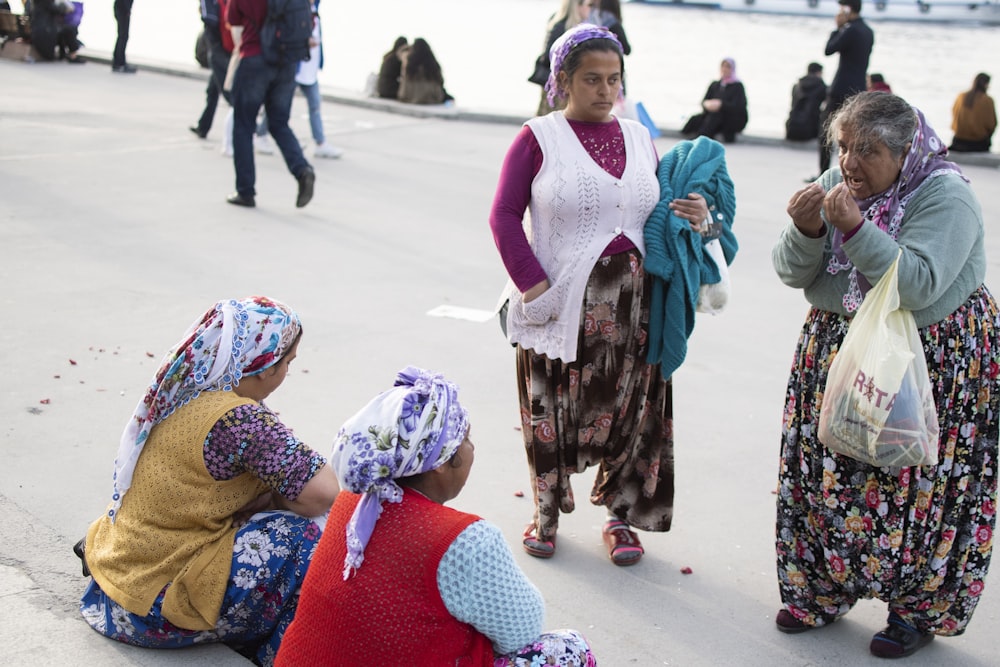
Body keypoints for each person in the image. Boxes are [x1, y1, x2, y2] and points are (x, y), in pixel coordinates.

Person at [772, 91, 999, 658]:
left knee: (921, 484)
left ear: (906, 151)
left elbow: (918, 284)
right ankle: (820, 590)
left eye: (867, 150)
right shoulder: (838, 183)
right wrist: (807, 231)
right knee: (827, 471)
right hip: (842, 347)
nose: (848, 162)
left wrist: (852, 229)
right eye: (844, 145)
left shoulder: (946, 196)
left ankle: (914, 610)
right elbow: (792, 271)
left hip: (931, 358)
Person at [489, 24, 699, 566]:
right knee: (549, 411)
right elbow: (505, 216)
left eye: (614, 79)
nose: (605, 91)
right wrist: (536, 286)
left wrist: (697, 217)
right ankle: (546, 512)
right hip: (559, 307)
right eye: (591, 80)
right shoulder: (537, 136)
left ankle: (621, 519)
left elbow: (656, 214)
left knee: (631, 409)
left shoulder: (637, 136)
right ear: (562, 81)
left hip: (635, 308)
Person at [75, 296, 341, 666]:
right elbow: (325, 492)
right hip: (150, 610)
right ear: (265, 367)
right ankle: (281, 655)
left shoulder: (188, 390)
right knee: (305, 541)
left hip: (114, 585)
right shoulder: (238, 419)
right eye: (288, 364)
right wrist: (272, 503)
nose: (285, 374)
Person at [275, 366, 596, 666]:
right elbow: (523, 631)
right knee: (569, 648)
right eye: (466, 439)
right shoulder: (468, 541)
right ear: (441, 461)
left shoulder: (352, 501)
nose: (472, 449)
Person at [226, 0, 316, 208]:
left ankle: (245, 191)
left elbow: (234, 24)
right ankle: (302, 170)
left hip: (254, 59)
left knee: (243, 125)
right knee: (279, 123)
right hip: (286, 63)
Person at [253, 0, 342, 160]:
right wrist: (305, 43)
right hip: (295, 66)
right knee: (279, 108)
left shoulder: (313, 9)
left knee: (314, 105)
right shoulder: (295, 7)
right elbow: (290, 33)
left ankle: (320, 143)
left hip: (309, 68)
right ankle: (261, 134)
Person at [816, 0, 873, 177]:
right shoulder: (867, 31)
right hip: (858, 88)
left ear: (848, 9)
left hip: (841, 88)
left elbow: (829, 49)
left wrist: (838, 27)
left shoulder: (850, 30)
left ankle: (824, 174)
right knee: (854, 134)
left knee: (826, 132)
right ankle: (853, 172)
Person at [530, 0, 588, 116]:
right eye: (588, 5)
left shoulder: (577, 27)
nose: (590, 9)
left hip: (565, 84)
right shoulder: (561, 26)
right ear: (578, 6)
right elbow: (548, 56)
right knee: (551, 121)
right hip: (556, 85)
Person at [190, 0, 234, 140]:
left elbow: (210, 19)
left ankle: (255, 130)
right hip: (227, 44)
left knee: (229, 93)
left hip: (217, 47)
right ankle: (203, 126)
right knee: (213, 89)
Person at [681, 57, 748, 143]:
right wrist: (707, 105)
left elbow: (739, 107)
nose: (725, 69)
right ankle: (691, 136)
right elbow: (704, 101)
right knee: (697, 119)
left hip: (731, 119)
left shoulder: (738, 86)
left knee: (714, 118)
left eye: (728, 67)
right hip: (714, 115)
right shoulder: (715, 84)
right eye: (723, 66)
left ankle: (700, 139)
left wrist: (721, 105)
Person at [950, 72, 996, 153]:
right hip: (978, 144)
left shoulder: (961, 96)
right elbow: (992, 124)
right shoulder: (987, 100)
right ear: (986, 84)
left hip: (958, 141)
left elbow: (954, 114)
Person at [397, 37, 451, 105]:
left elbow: (401, 53)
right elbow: (441, 82)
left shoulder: (409, 64)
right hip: (432, 99)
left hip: (410, 98)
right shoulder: (433, 64)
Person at [785, 62, 827, 141]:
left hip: (791, 127)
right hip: (809, 130)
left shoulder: (796, 85)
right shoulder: (821, 86)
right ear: (819, 73)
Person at [375, 35, 407, 99]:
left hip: (381, 89)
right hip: (389, 90)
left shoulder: (388, 56)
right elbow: (403, 74)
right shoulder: (396, 58)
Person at [112, 0, 136, 73]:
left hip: (120, 8)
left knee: (121, 36)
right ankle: (120, 63)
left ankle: (117, 62)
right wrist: (127, 9)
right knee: (123, 36)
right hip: (123, 10)